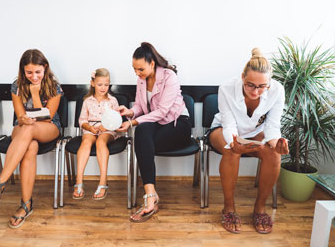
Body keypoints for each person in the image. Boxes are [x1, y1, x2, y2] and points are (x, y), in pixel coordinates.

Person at [207, 48, 289, 234]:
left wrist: (276, 142)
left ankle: (259, 209)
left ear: (269, 83)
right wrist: (235, 142)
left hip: (257, 132)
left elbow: (272, 126)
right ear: (242, 77)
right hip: (223, 129)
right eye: (250, 85)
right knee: (231, 150)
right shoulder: (227, 88)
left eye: (262, 86)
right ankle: (229, 207)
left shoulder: (277, 90)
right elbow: (229, 125)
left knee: (274, 154)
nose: (256, 91)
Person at [0, 49, 63, 229]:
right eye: (29, 72)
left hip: (49, 128)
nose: (34, 76)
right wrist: (23, 118)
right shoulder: (16, 85)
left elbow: (47, 117)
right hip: (23, 128)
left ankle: (0, 184)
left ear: (45, 68)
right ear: (23, 70)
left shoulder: (54, 87)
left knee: (31, 127)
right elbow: (19, 115)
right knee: (31, 145)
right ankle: (26, 205)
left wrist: (35, 94)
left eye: (38, 72)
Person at [117, 42, 191, 222]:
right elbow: (141, 107)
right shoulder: (141, 80)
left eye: (140, 69)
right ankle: (151, 194)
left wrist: (132, 122)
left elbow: (163, 112)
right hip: (156, 123)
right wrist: (129, 112)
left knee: (142, 140)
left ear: (152, 64)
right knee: (142, 133)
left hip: (178, 124)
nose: (137, 73)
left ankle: (151, 198)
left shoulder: (169, 76)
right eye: (134, 69)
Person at [72, 68, 119, 200]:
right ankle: (79, 181)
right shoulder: (87, 101)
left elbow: (117, 120)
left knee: (100, 141)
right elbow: (82, 120)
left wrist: (106, 126)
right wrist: (90, 128)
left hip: (107, 129)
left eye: (106, 84)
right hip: (90, 128)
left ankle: (103, 181)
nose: (103, 88)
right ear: (93, 83)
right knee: (86, 141)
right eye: (100, 84)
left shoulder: (112, 101)